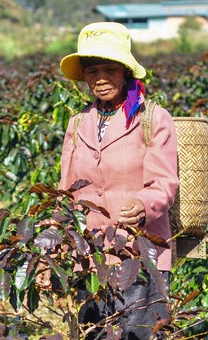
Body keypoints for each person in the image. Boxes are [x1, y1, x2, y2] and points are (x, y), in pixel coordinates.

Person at [58, 22, 180, 339]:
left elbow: (165, 183)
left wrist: (143, 205)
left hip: (140, 254)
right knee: (93, 333)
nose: (100, 78)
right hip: (89, 258)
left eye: (110, 69)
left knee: (139, 334)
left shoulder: (152, 118)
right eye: (92, 70)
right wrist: (57, 244)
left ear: (125, 70)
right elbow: (66, 192)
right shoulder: (77, 123)